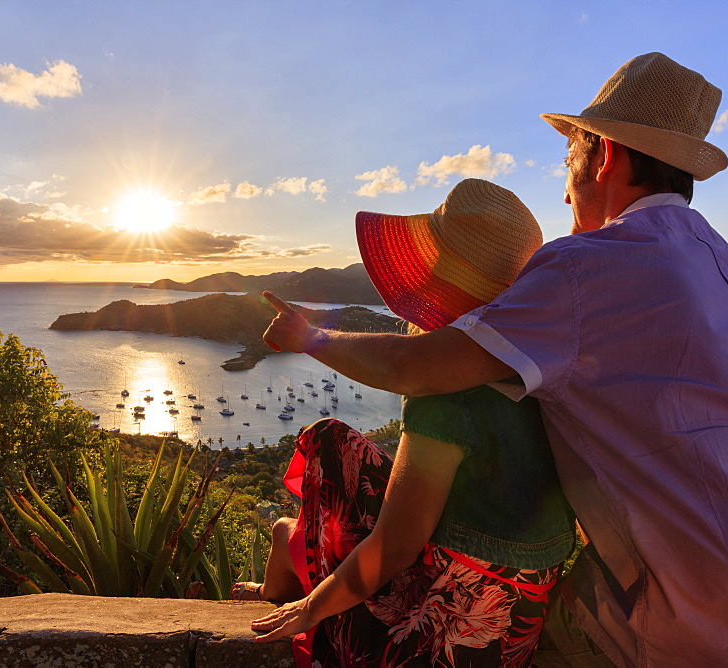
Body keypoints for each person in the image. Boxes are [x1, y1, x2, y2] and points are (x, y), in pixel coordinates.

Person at [260, 53, 728, 666]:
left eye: (569, 162)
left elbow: (416, 367)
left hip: (712, 620)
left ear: (605, 155)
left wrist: (310, 337)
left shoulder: (588, 267)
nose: (565, 187)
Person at [243, 178, 577, 667]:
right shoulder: (542, 362)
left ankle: (292, 545)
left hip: (450, 622)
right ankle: (290, 542)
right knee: (335, 441)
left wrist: (311, 610)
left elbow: (396, 547)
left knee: (325, 441)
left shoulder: (442, 394)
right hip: (523, 614)